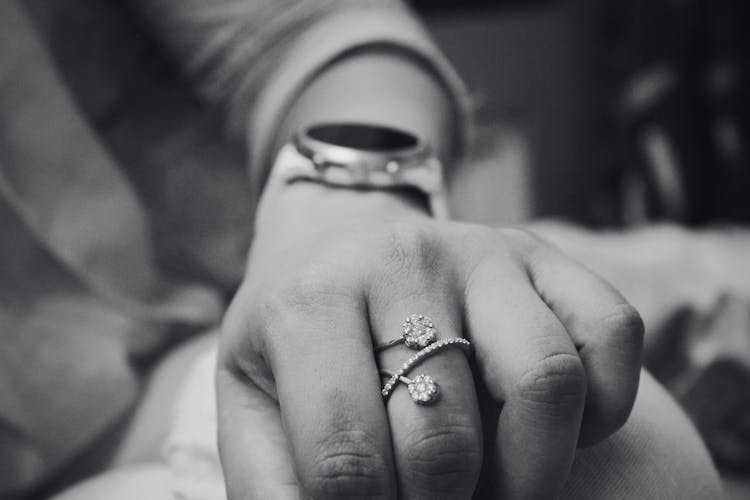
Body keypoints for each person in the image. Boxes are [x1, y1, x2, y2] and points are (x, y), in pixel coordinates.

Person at [0, 1, 721, 499]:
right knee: (630, 474)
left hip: (329, 248)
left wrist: (338, 218)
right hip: (115, 437)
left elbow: (316, 32)